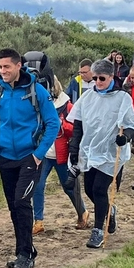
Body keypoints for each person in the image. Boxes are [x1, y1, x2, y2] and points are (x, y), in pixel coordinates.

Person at [0, 49, 60, 268]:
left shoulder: (36, 91)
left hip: (30, 158)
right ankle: (23, 252)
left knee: (21, 203)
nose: (3, 71)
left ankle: (26, 254)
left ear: (19, 66)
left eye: (6, 66)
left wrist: (38, 154)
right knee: (13, 207)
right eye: (0, 67)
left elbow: (53, 124)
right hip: (5, 158)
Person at [68, 60, 134, 248]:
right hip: (91, 150)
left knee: (99, 189)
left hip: (111, 152)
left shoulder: (122, 98)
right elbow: (78, 125)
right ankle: (109, 211)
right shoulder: (88, 97)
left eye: (102, 78)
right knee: (90, 189)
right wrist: (74, 149)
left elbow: (131, 125)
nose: (98, 82)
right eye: (95, 78)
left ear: (111, 77)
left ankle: (98, 230)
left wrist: (126, 138)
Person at [32, 76, 89, 234]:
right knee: (38, 185)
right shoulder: (38, 104)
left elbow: (76, 128)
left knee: (69, 187)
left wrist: (59, 124)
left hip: (62, 153)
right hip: (43, 153)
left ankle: (82, 212)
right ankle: (38, 221)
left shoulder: (67, 105)